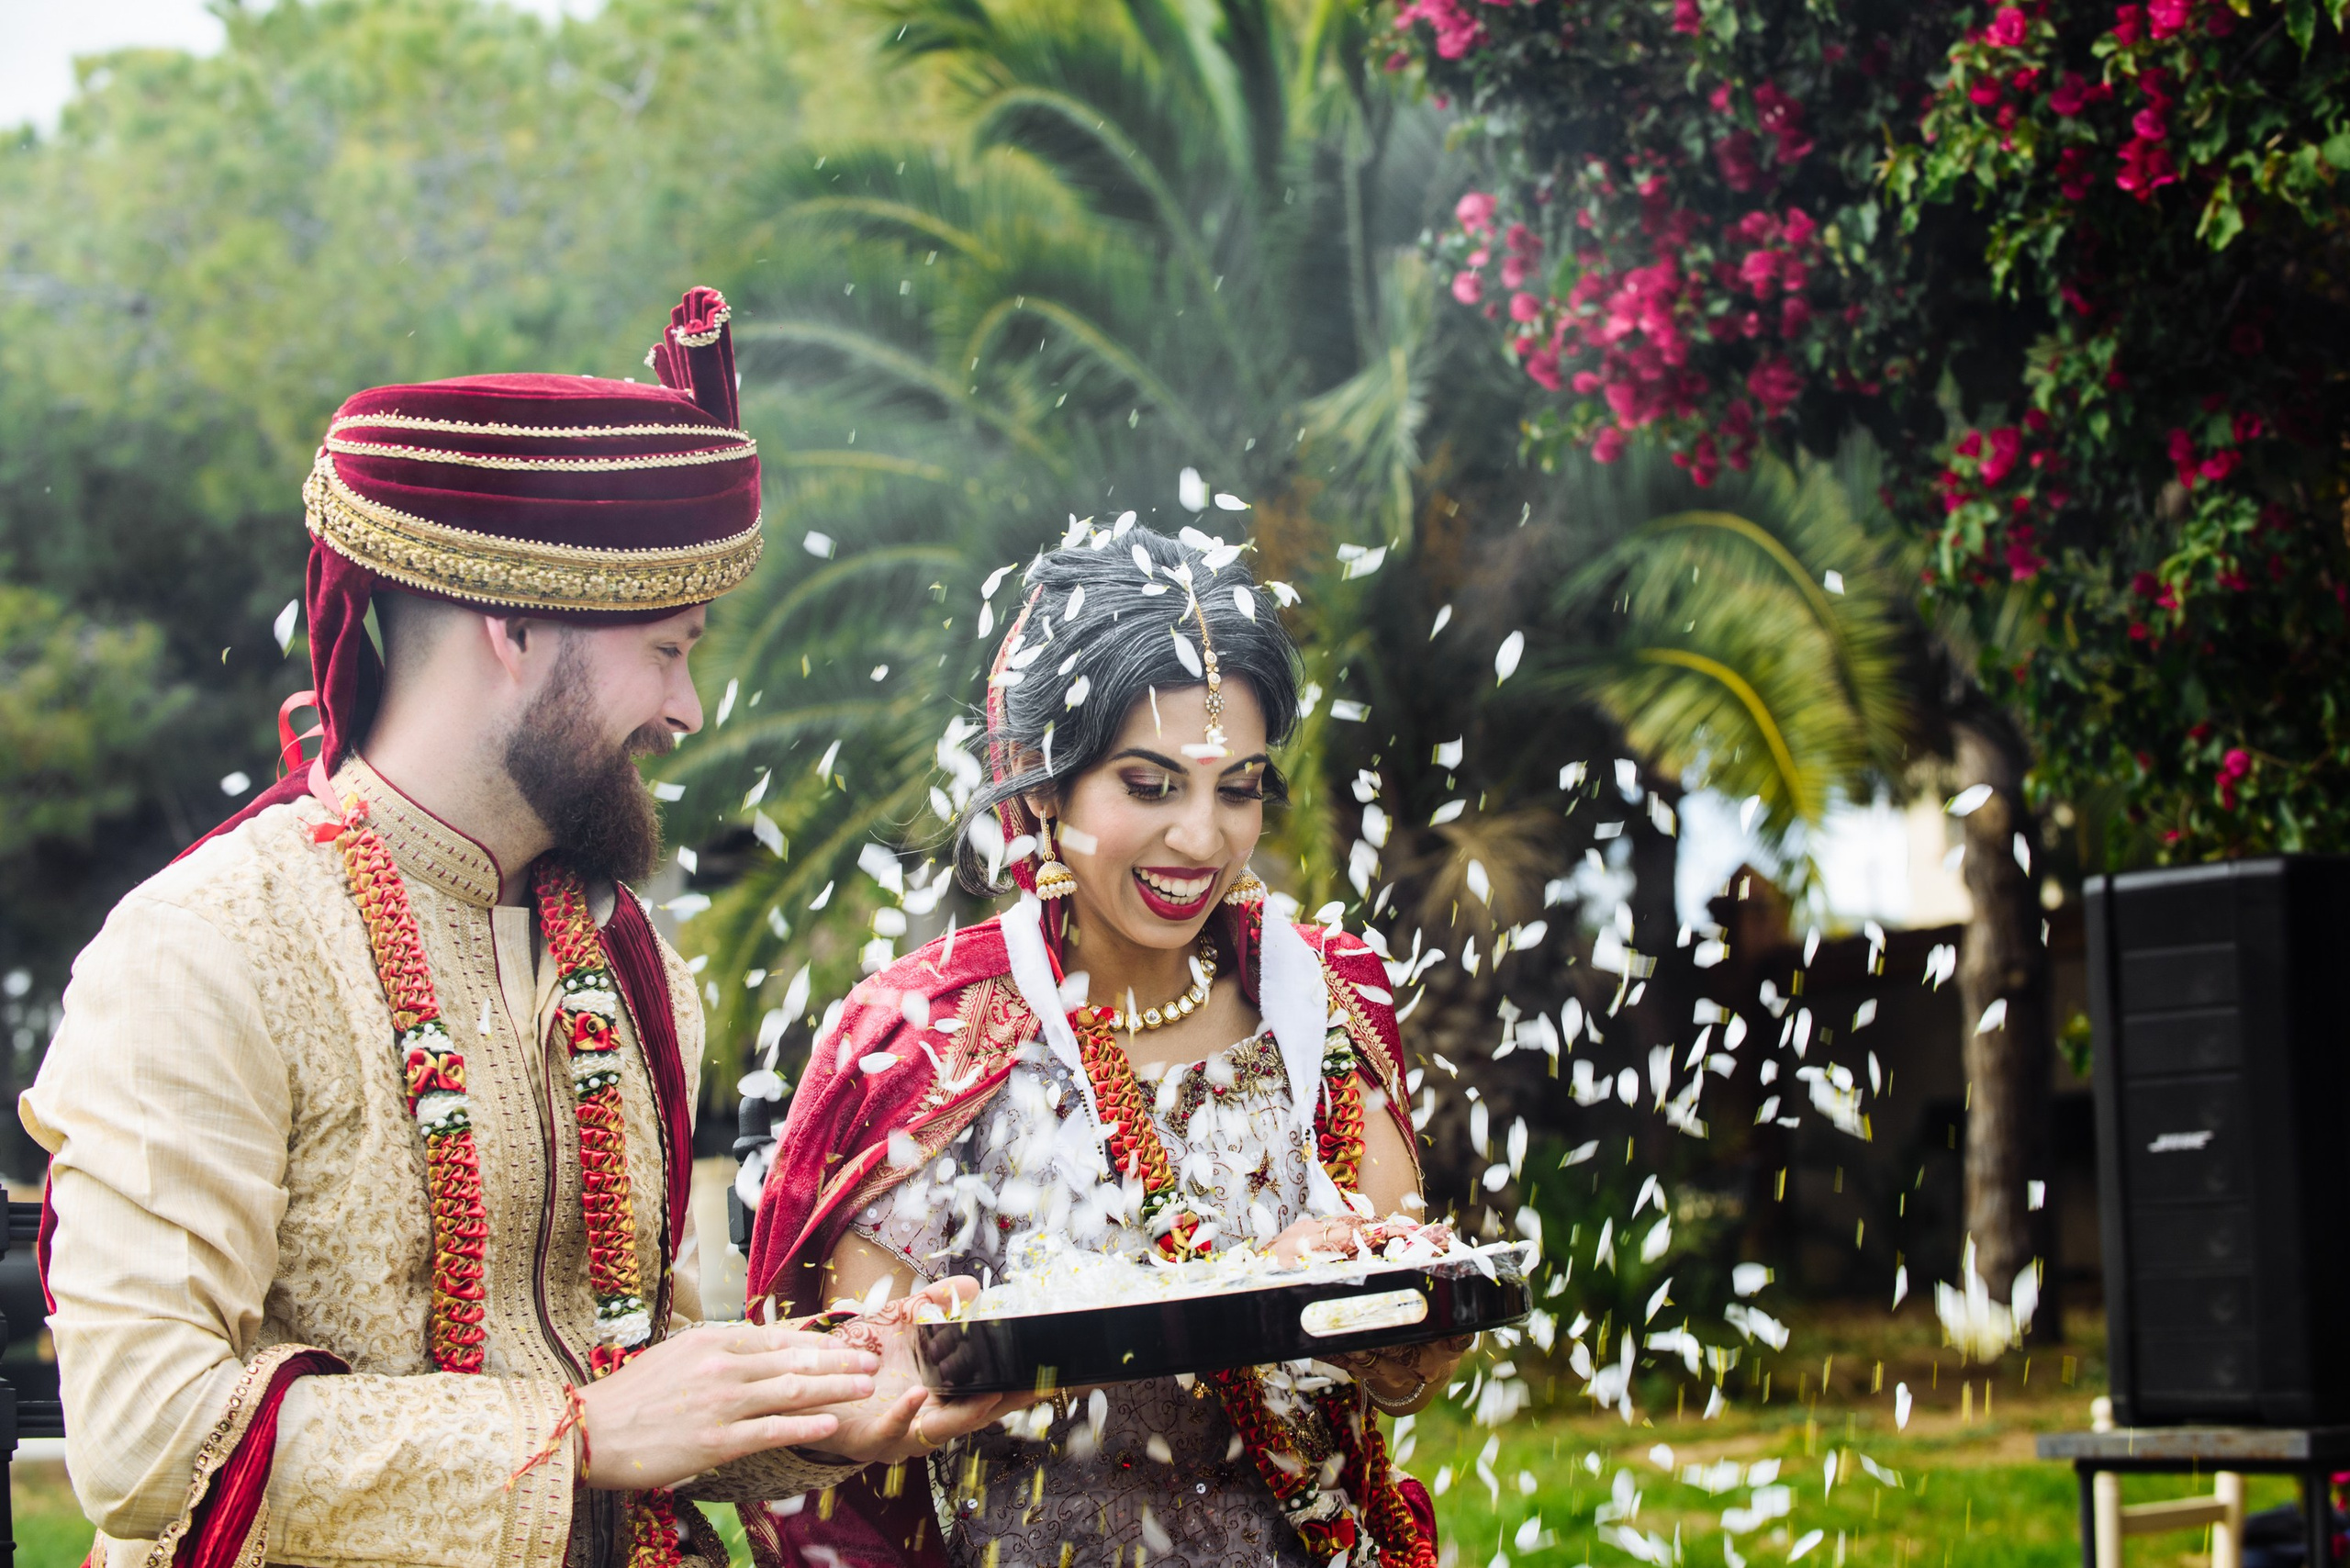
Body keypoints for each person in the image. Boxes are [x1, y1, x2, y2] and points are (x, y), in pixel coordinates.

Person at [19, 290, 1009, 1568]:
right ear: (514, 628)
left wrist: (842, 1398)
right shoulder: (206, 949)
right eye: (664, 651)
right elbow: (142, 1439)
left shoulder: (624, 960)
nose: (690, 709)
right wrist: (577, 1434)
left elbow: (642, 1383)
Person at [742, 525, 1468, 1568]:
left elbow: (1393, 1358)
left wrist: (1409, 1348)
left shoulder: (1318, 997)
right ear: (1042, 785)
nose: (1203, 839)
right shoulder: (932, 1038)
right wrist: (1239, 1290)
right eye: (1149, 783)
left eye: (1239, 786)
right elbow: (867, 1402)